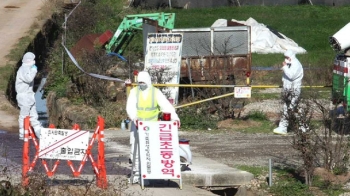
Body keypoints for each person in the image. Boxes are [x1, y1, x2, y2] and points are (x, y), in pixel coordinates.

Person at [126, 71, 180, 182]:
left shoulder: (156, 92)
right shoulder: (134, 92)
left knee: (148, 151)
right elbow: (130, 107)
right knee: (135, 151)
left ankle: (147, 174)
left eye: (143, 82)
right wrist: (134, 117)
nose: (141, 84)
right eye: (139, 82)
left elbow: (166, 107)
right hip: (137, 125)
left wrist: (175, 118)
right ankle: (137, 174)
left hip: (151, 127)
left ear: (148, 81)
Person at [273, 50, 304, 135]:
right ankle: (284, 127)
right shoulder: (290, 64)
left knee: (292, 108)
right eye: (285, 57)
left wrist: (285, 67)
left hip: (294, 90)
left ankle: (303, 126)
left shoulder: (296, 64)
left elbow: (291, 76)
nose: (285, 59)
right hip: (288, 90)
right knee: (288, 108)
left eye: (287, 57)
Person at [15, 52, 42, 140]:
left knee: (34, 115)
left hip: (29, 95)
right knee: (24, 115)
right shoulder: (23, 69)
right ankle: (23, 133)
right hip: (24, 96)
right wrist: (34, 70)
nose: (34, 61)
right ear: (29, 60)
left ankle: (39, 133)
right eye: (33, 59)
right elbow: (29, 79)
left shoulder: (27, 68)